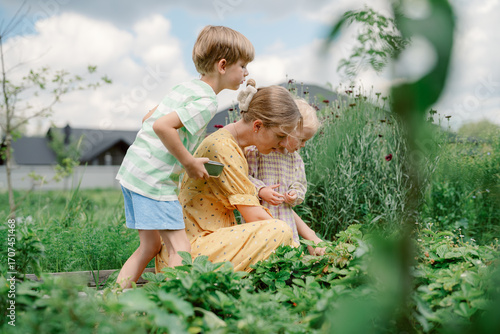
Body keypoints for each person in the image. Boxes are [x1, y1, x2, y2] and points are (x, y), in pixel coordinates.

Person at [115, 25, 254, 288]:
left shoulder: (186, 88)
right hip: (154, 182)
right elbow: (161, 126)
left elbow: (149, 118)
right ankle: (170, 303)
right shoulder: (206, 102)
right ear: (223, 65)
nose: (247, 73)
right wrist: (188, 162)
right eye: (243, 66)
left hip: (134, 173)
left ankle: (113, 297)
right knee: (181, 248)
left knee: (151, 245)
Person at [155, 79, 301, 272]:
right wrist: (294, 248)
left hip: (209, 243)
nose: (283, 144)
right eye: (280, 136)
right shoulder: (223, 148)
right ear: (257, 126)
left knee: (278, 231)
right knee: (279, 231)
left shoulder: (236, 146)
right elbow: (256, 218)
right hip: (190, 252)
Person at [245, 98, 326, 256]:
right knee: (262, 256)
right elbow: (244, 178)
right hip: (259, 219)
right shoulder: (257, 152)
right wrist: (260, 190)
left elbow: (300, 184)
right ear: (287, 130)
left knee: (289, 257)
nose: (303, 145)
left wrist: (294, 194)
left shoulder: (295, 159)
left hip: (286, 218)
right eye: (301, 139)